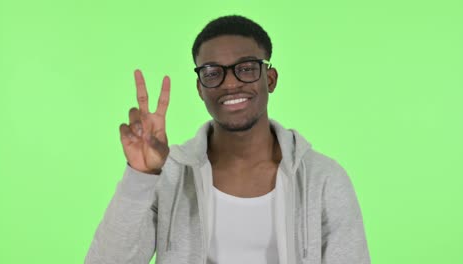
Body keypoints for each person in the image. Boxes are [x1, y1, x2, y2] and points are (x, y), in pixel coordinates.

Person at [85, 15, 370, 264]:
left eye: (246, 68)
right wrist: (141, 177)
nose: (230, 83)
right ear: (200, 88)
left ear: (269, 79)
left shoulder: (324, 179)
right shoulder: (169, 175)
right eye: (212, 72)